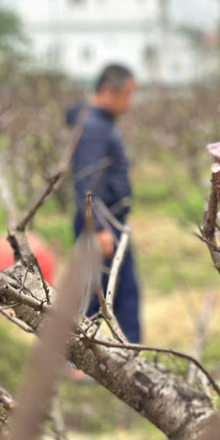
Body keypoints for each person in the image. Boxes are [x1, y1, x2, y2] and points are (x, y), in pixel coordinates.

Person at [66, 63, 141, 345]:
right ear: (109, 91)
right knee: (93, 293)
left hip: (110, 220)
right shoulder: (94, 127)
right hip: (101, 222)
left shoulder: (99, 123)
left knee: (123, 292)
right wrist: (97, 227)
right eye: (128, 95)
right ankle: (80, 361)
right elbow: (86, 180)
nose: (130, 103)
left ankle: (131, 354)